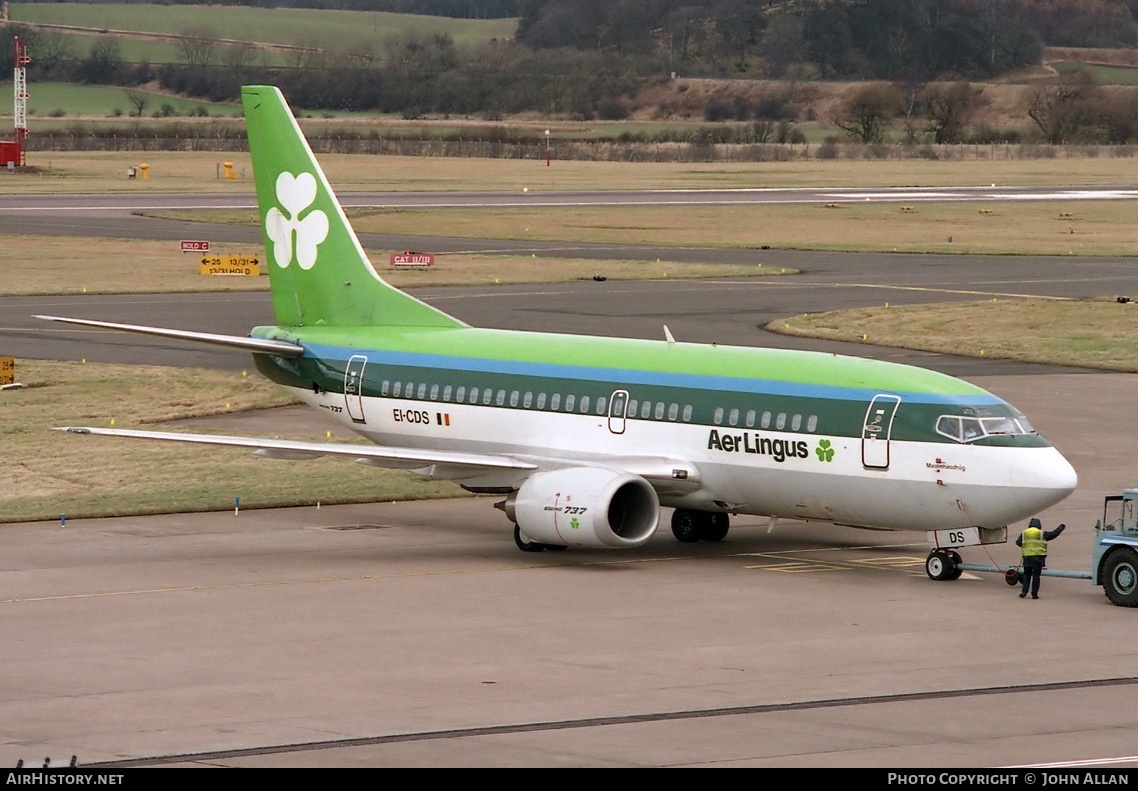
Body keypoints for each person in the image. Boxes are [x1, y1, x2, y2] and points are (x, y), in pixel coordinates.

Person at [1016, 517, 1066, 599]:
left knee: (1026, 575)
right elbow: (1054, 534)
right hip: (1038, 558)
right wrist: (1061, 527)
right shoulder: (1041, 533)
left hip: (1027, 558)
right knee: (1036, 576)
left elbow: (1018, 542)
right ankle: (1034, 594)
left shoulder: (1024, 533)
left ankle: (1024, 592)